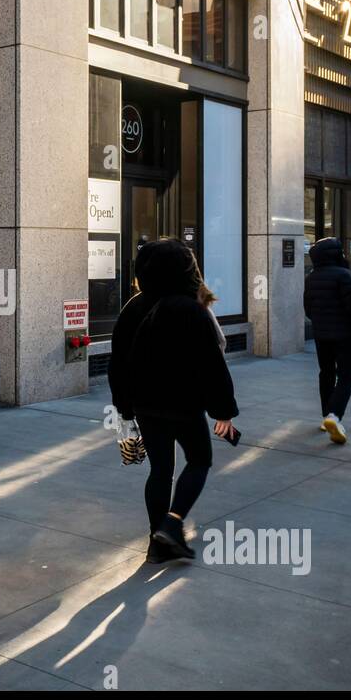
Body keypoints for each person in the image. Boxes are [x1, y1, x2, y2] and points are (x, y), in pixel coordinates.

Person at [108, 239, 238, 563]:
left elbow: (117, 363)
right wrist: (223, 411)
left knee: (161, 470)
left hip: (145, 405)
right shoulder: (191, 308)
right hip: (184, 404)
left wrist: (124, 408)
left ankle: (158, 541)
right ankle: (173, 521)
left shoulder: (133, 306)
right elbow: (211, 365)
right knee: (200, 460)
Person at [303, 237, 351, 445]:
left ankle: (325, 415)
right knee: (347, 374)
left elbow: (308, 308)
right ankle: (334, 415)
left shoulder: (312, 277)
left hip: (321, 333)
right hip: (343, 334)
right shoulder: (343, 275)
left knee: (326, 372)